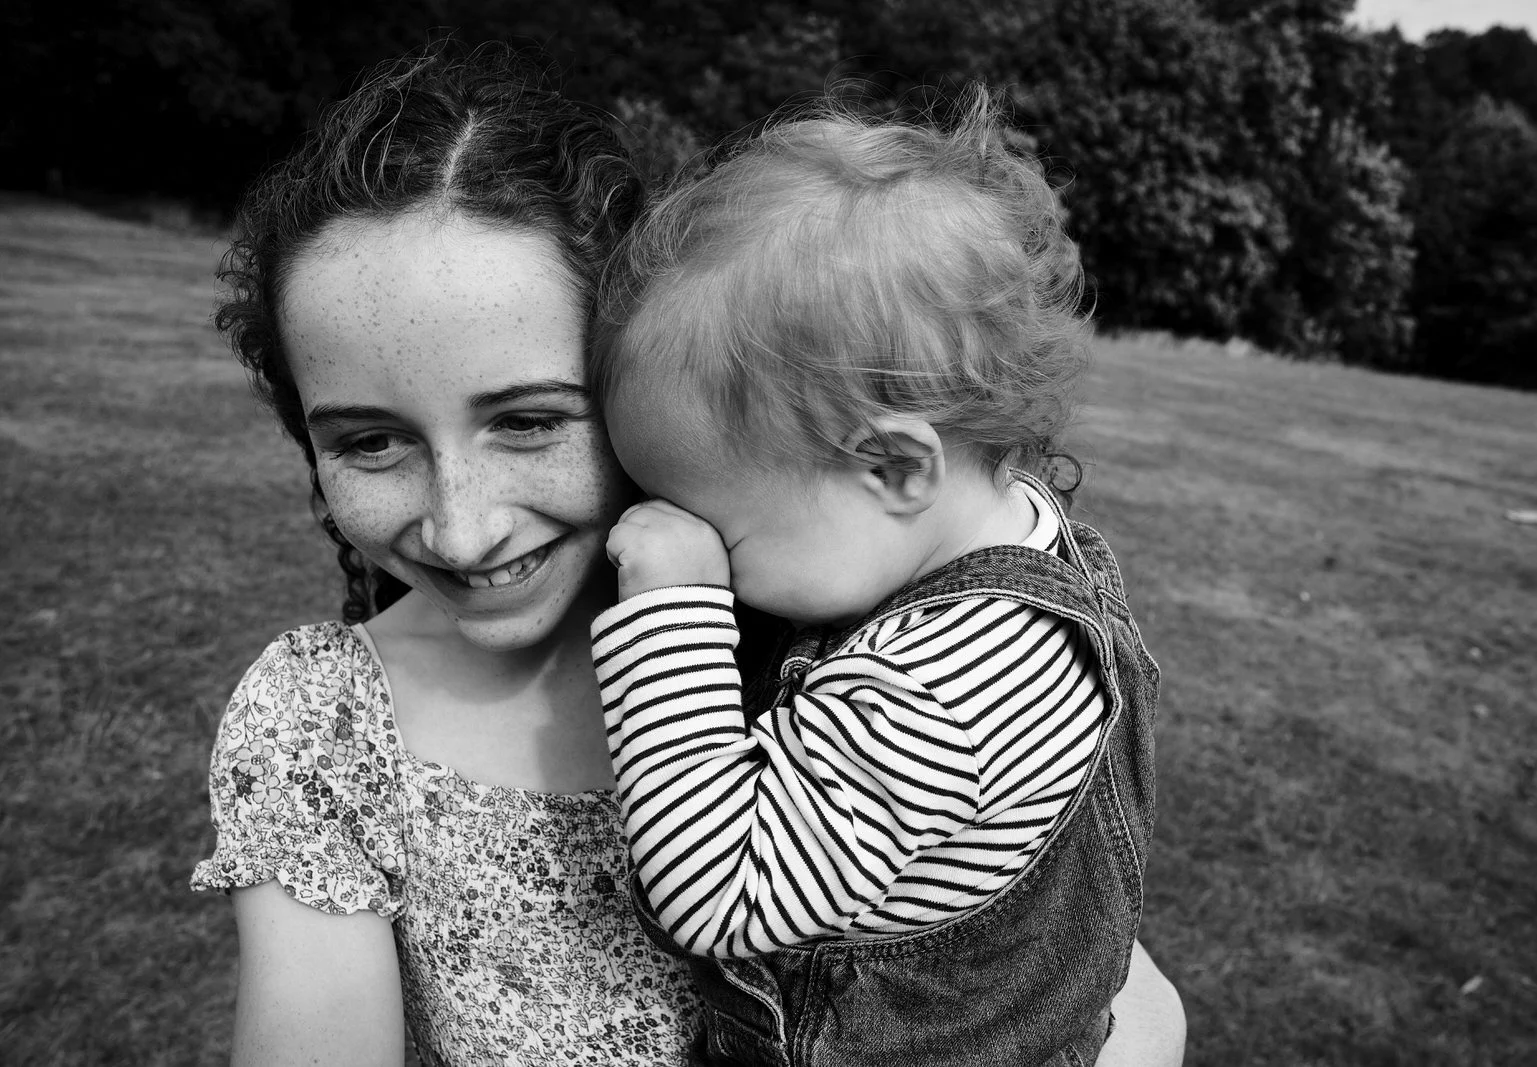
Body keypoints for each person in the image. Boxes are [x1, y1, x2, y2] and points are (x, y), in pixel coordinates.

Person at [191, 43, 1184, 1067]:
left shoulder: (820, 622)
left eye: (530, 420)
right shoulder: (323, 724)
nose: (461, 526)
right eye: (370, 440)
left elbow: (1106, 984)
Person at [590, 90, 1162, 1065]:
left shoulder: (936, 688)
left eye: (715, 526)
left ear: (894, 466)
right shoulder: (1018, 533)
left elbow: (717, 890)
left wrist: (669, 606)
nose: (682, 537)